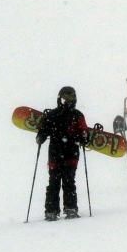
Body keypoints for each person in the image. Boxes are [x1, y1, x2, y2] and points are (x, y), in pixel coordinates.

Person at [36, 86, 87, 220]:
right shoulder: (72, 115)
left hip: (62, 153)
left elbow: (83, 132)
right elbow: (83, 133)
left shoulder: (58, 115)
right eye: (65, 99)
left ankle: (56, 210)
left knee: (60, 181)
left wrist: (40, 136)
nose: (66, 102)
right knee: (61, 181)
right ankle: (63, 209)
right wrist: (83, 138)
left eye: (68, 99)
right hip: (63, 153)